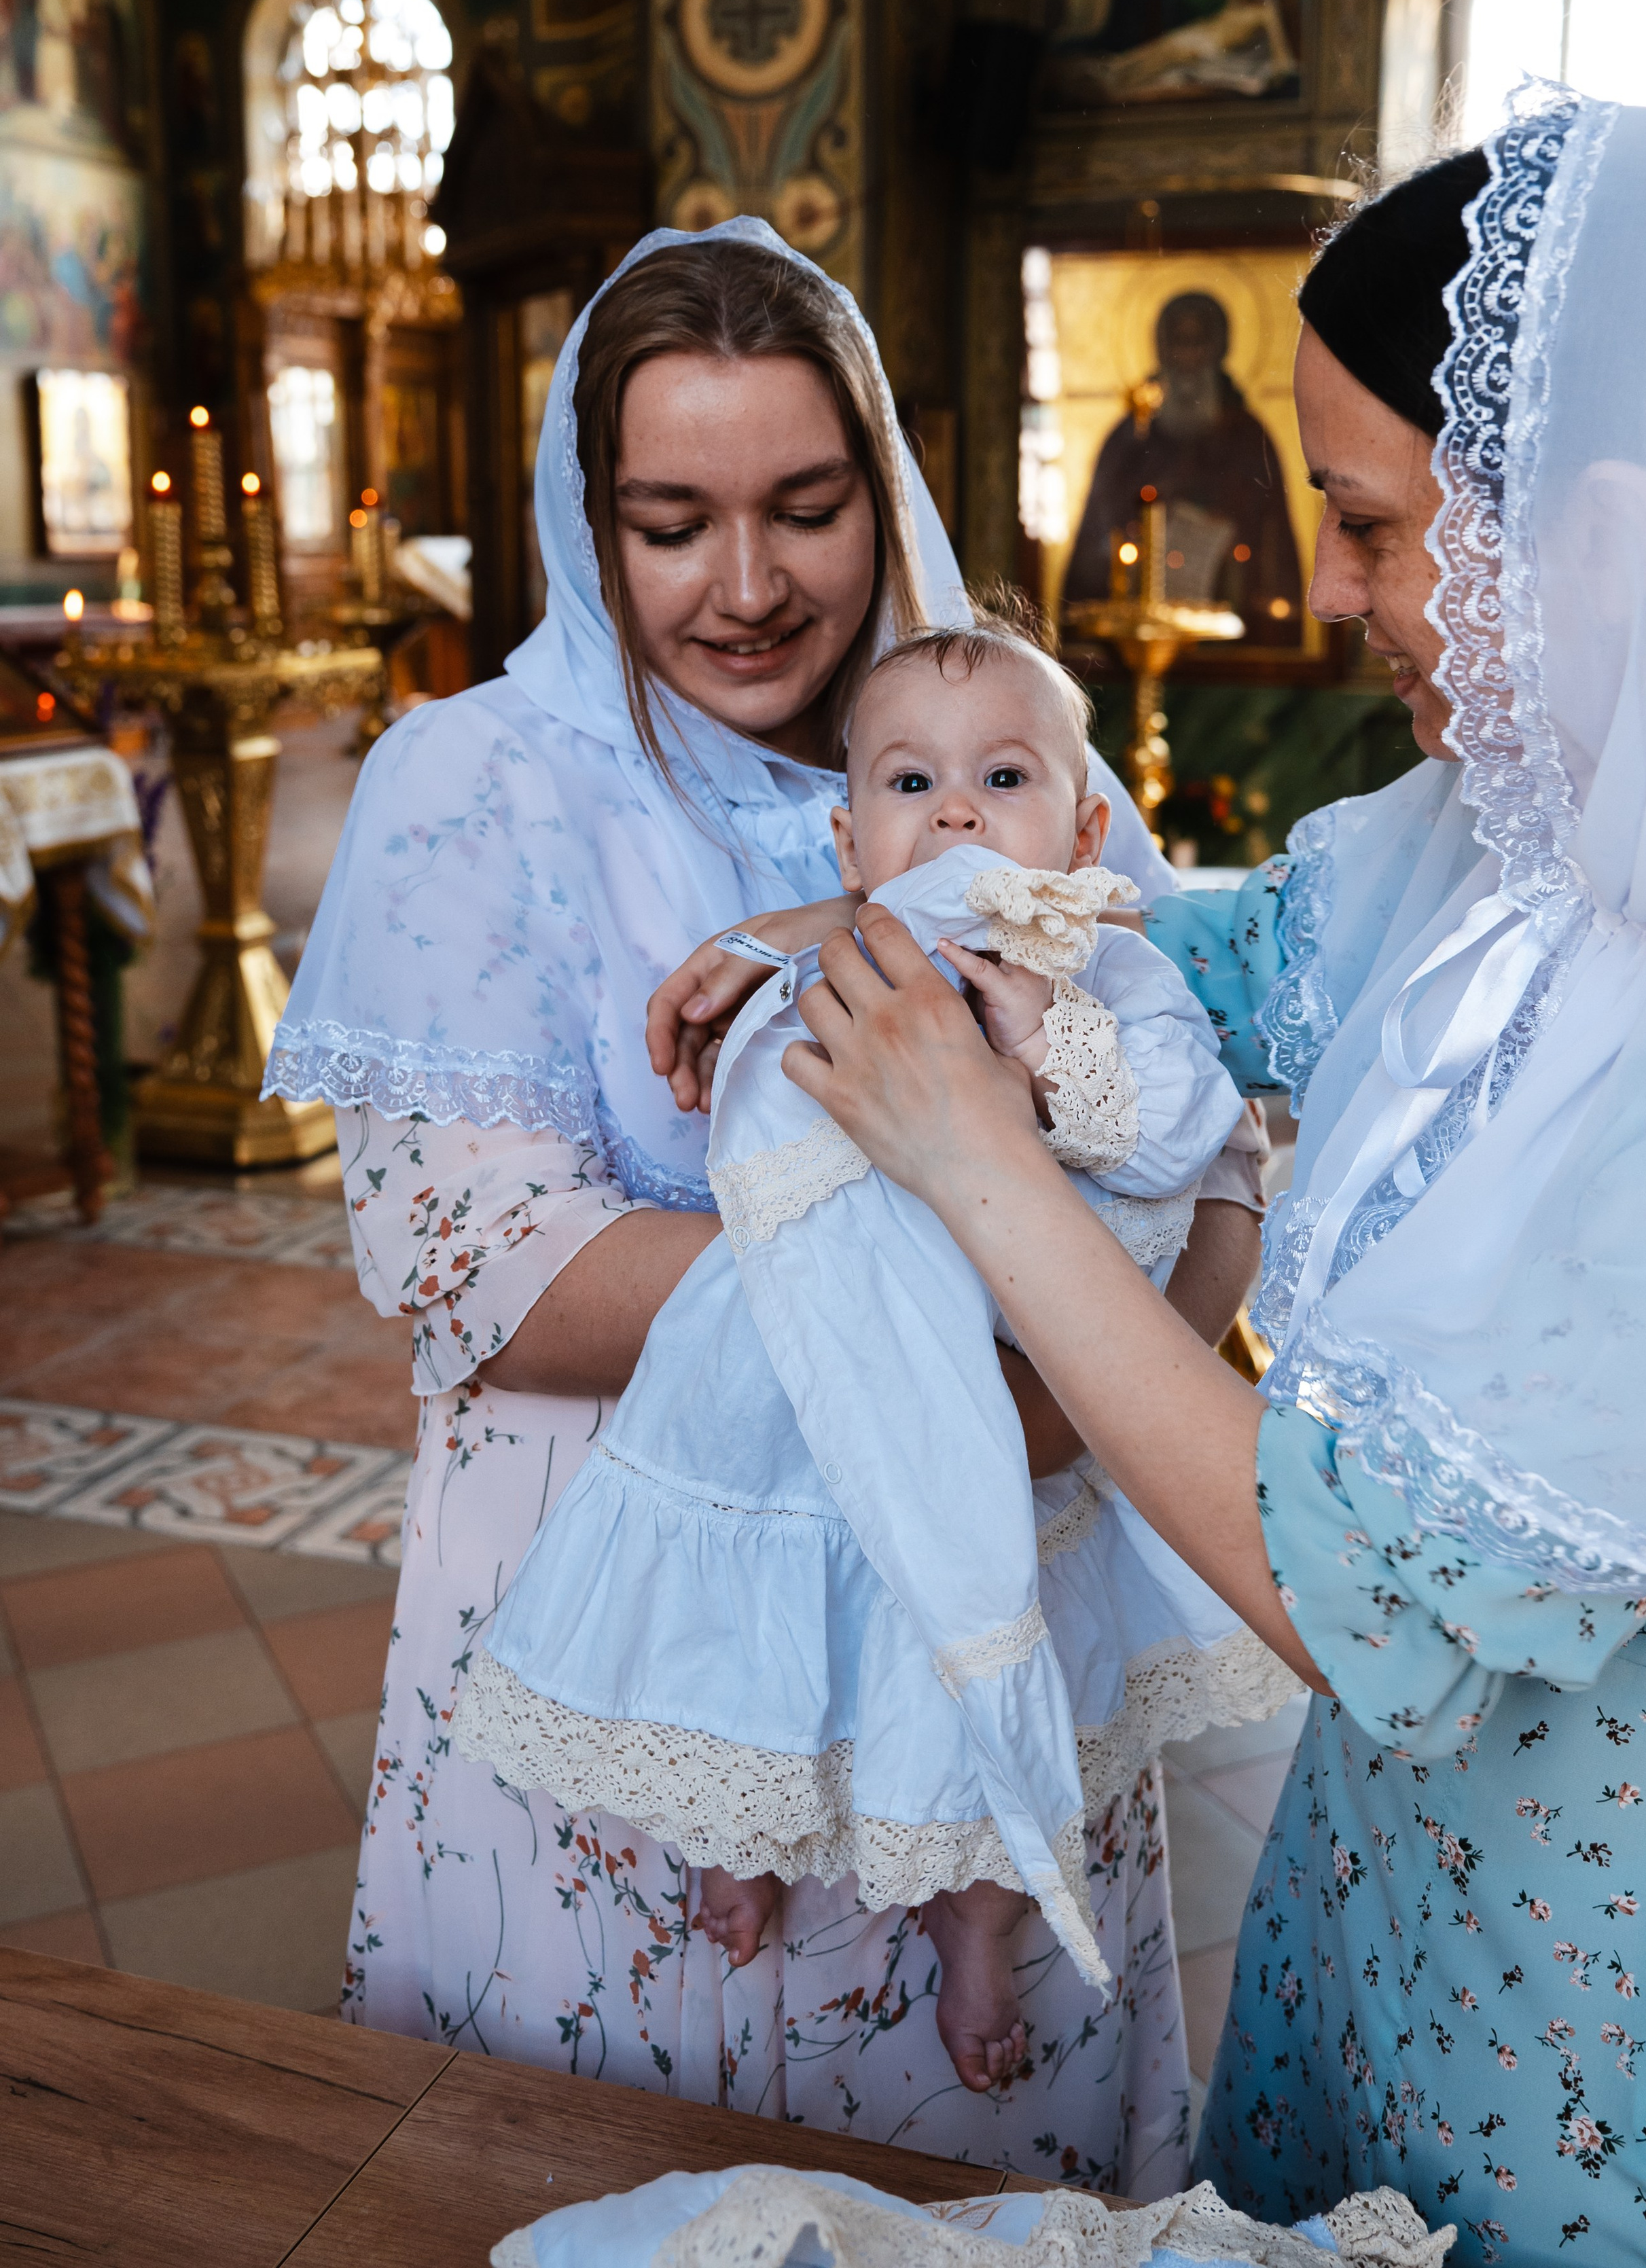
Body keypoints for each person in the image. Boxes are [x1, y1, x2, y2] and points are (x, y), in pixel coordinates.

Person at [756, 90, 1646, 2258]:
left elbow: (1363, 1596)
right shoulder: (1484, 835)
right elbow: (1189, 942)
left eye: (1369, 523)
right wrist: (887, 916)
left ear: (1595, 526)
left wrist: (980, 1175)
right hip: (1368, 1900)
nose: (1321, 585)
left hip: (1608, 2034)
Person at [264, 219, 1269, 2191]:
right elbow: (484, 1263)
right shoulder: (470, 782)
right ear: (588, 519)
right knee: (624, 2179)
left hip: (1000, 1578)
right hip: (655, 1620)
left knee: (973, 2193)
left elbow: (1211, 1158)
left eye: (805, 508)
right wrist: (977, 1297)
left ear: (882, 489)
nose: (743, 587)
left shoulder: (1003, 745)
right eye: (670, 521)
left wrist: (1049, 1341)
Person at [455, 617, 1292, 2096]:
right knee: (767, 1648)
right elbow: (765, 1126)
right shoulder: (840, 959)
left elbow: (1178, 1128)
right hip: (811, 1387)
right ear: (850, 839)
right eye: (909, 781)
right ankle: (747, 1840)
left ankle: (978, 1929)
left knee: (960, 1665)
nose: (956, 812)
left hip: (997, 1394)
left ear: (1084, 828)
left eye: (1004, 776)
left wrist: (1044, 1037)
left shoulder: (1104, 973)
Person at [1063, 293, 1302, 647]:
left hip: (1231, 633)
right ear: (1161, 348)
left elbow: (1273, 542)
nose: (1188, 357)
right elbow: (1097, 533)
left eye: (1198, 342)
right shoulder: (1129, 438)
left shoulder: (1249, 437)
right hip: (1133, 632)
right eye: (1177, 342)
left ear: (1218, 348)